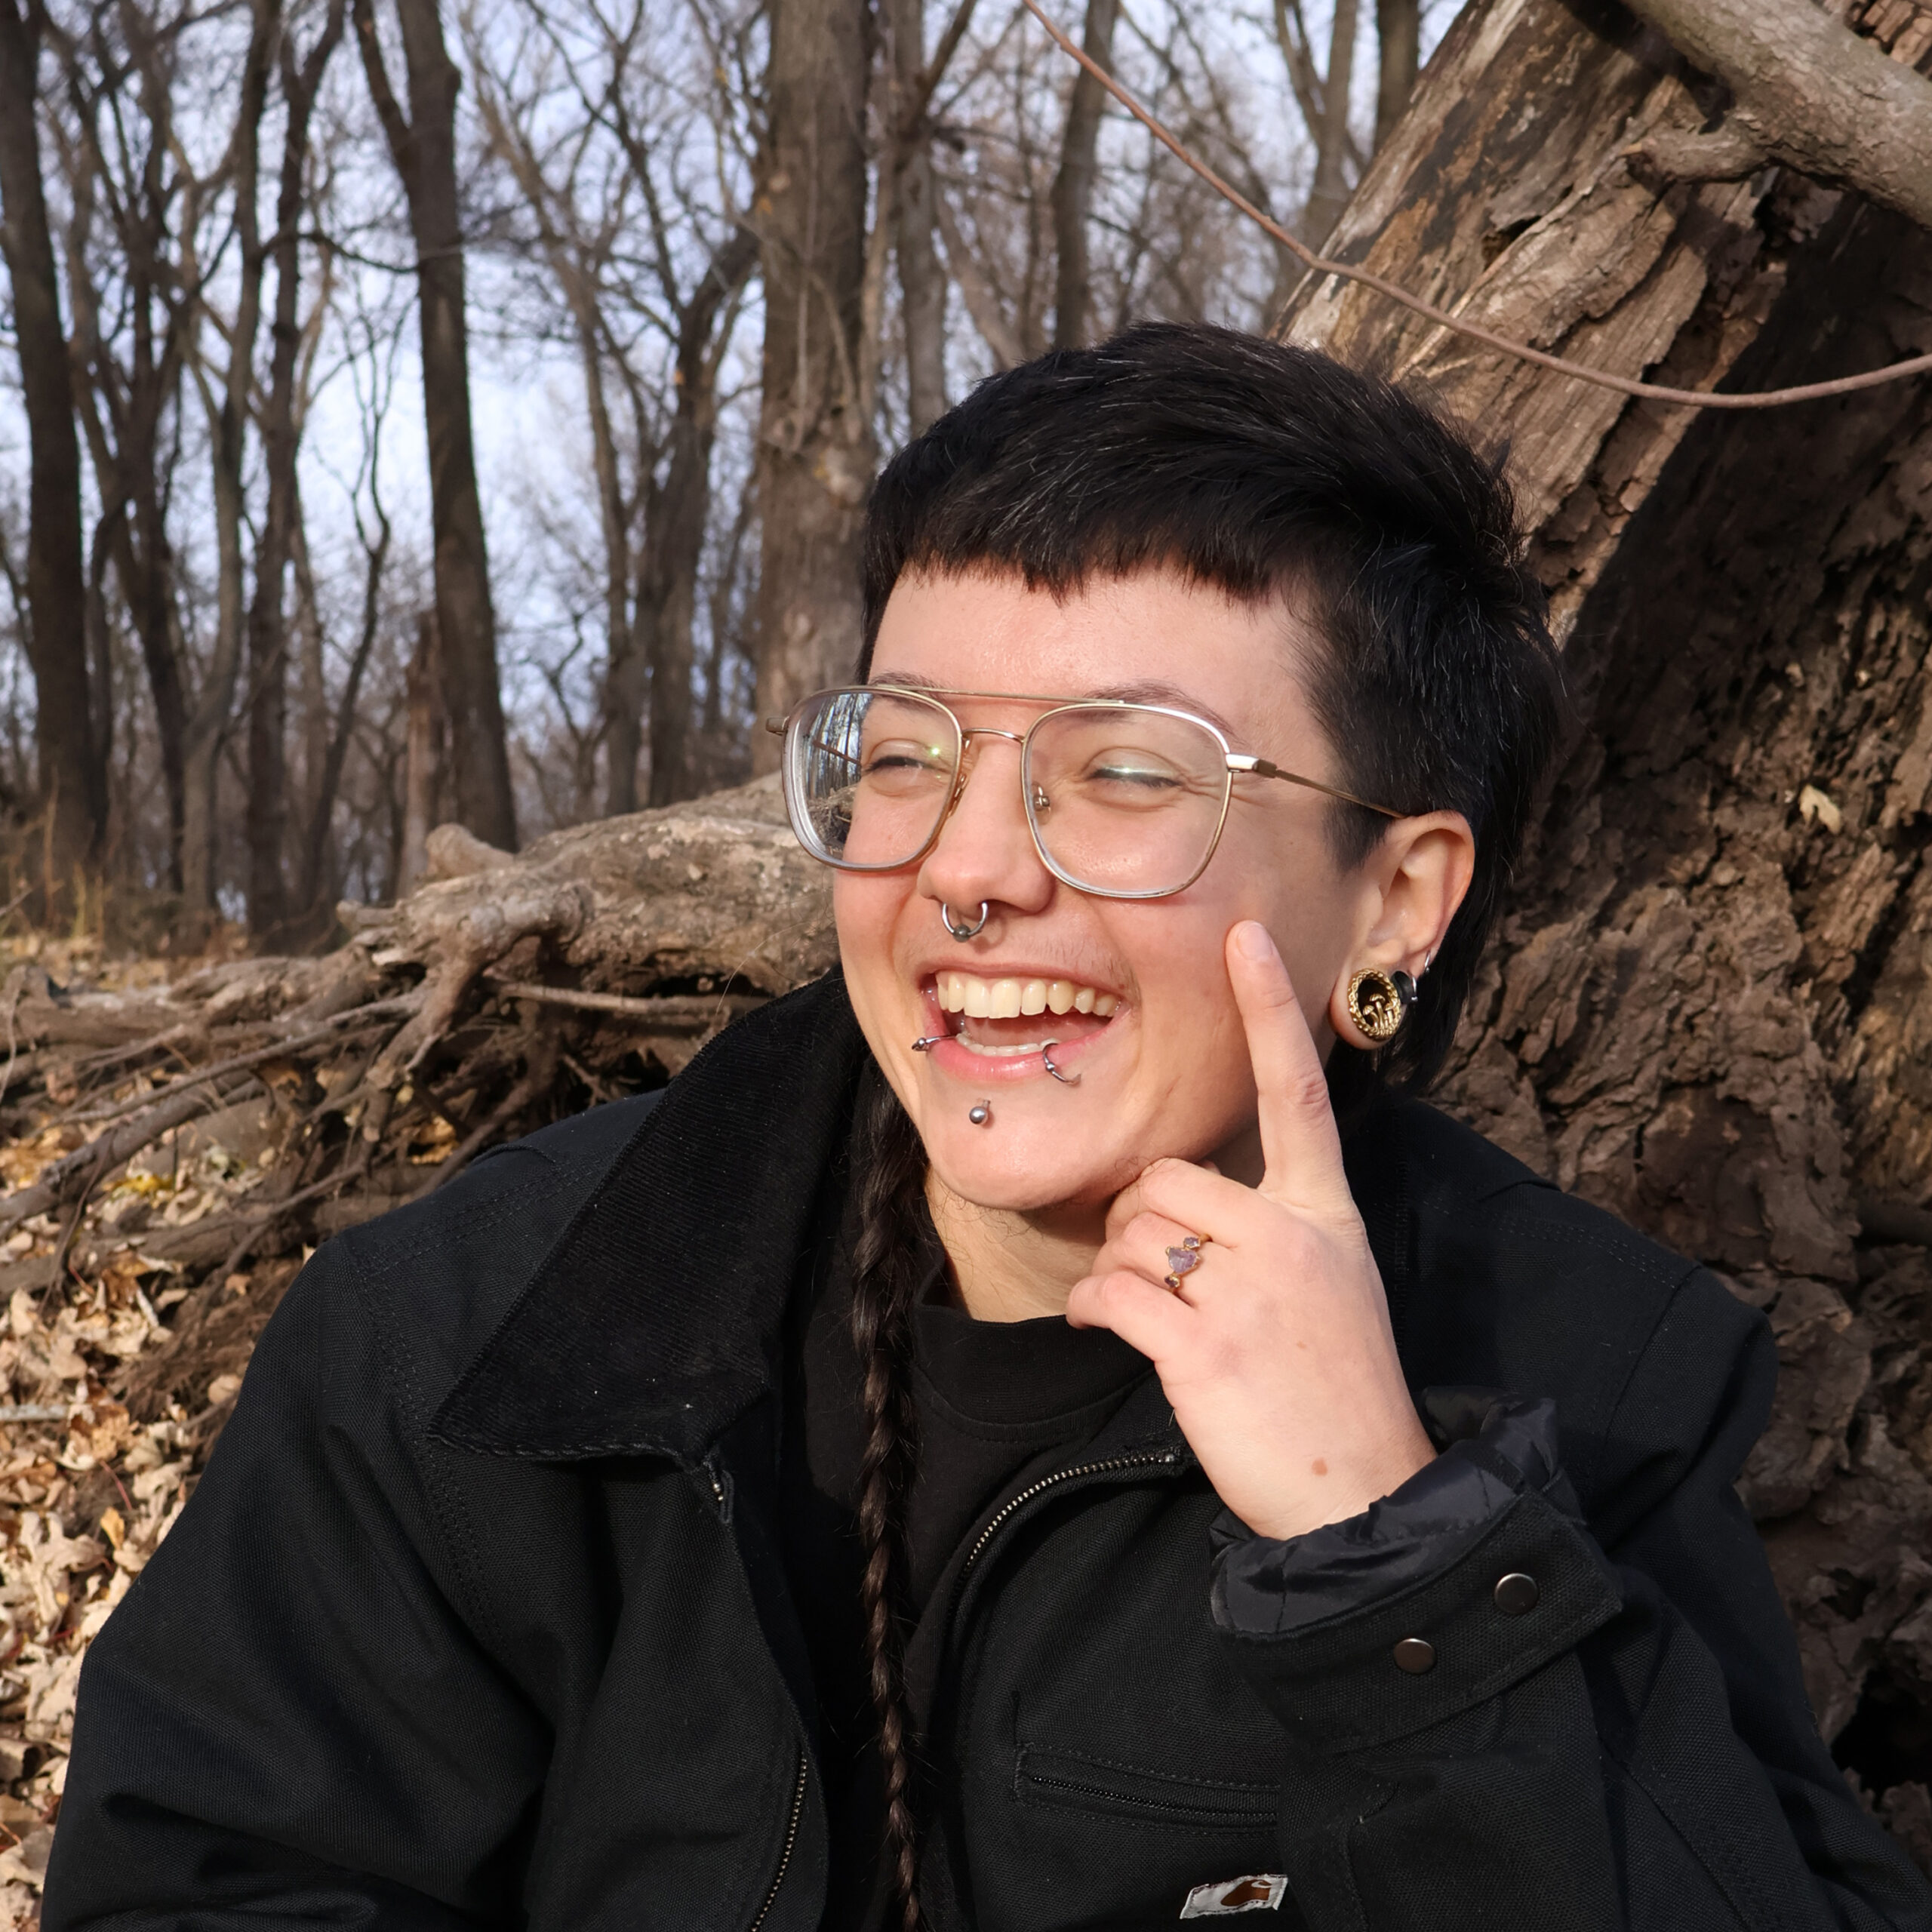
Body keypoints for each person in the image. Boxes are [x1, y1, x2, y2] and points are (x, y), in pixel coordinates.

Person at [45, 323, 1932, 1932]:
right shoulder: (487, 1342)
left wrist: (1399, 1557)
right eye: (901, 754)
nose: (961, 871)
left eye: (1115, 776)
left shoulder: (1588, 1387)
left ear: (1398, 897)